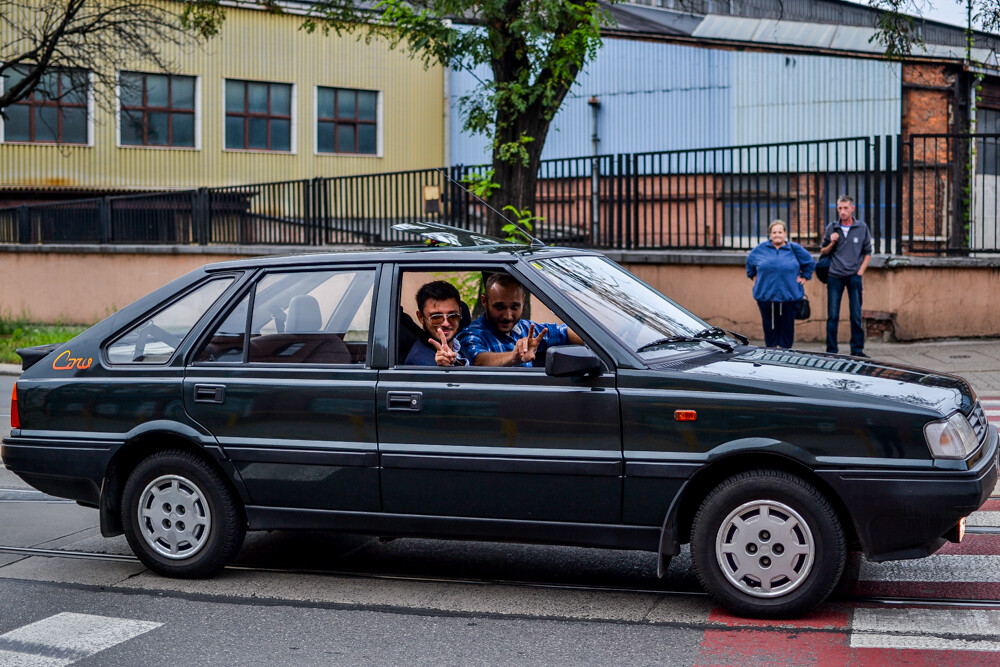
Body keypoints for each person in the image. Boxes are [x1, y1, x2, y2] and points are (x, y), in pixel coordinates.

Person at [458, 273, 583, 367]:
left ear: (523, 301)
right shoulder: (471, 334)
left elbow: (565, 332)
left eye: (514, 307)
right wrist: (514, 356)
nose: (508, 316)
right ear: (484, 301)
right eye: (499, 307)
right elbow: (479, 360)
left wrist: (598, 340)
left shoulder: (526, 329)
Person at [746, 220, 815, 349]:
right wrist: (755, 277)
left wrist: (805, 277)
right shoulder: (759, 250)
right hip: (766, 297)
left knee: (787, 329)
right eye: (774, 232)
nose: (777, 235)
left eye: (780, 232)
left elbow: (810, 263)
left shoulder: (794, 249)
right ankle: (771, 355)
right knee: (769, 328)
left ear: (785, 233)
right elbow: (750, 265)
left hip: (789, 297)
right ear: (770, 234)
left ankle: (785, 355)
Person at [821, 195, 873, 357]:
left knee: (856, 315)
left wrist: (860, 272)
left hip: (854, 276)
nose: (842, 212)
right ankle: (831, 351)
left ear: (852, 208)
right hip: (835, 276)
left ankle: (857, 350)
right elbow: (822, 251)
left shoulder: (862, 227)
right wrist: (831, 242)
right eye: (839, 208)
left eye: (845, 208)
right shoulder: (832, 227)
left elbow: (868, 252)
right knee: (833, 315)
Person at [403, 280, 469, 366]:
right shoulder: (418, 363)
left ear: (460, 313)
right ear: (421, 317)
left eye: (453, 316)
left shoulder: (459, 345)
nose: (446, 323)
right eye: (436, 318)